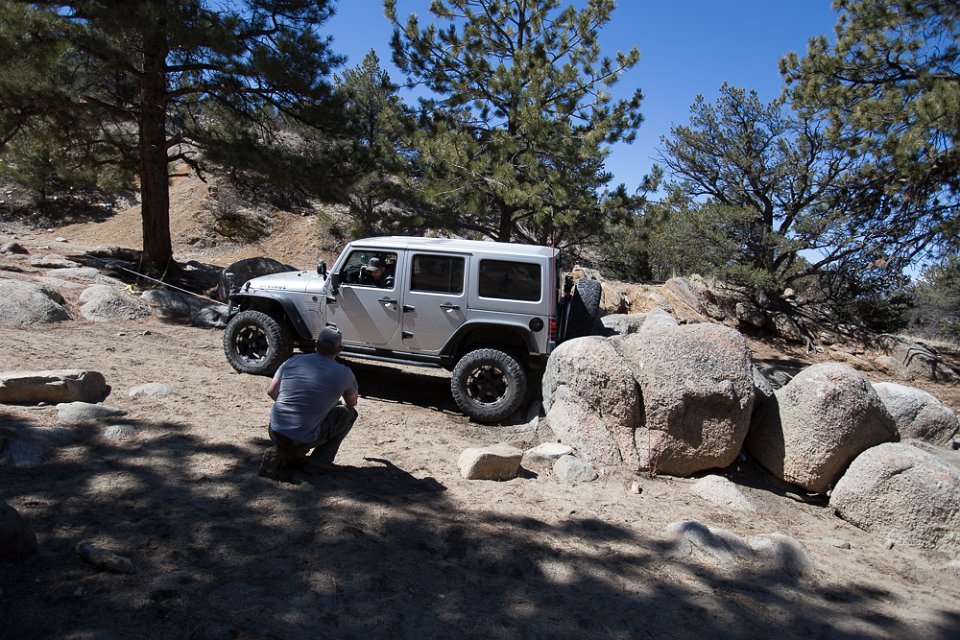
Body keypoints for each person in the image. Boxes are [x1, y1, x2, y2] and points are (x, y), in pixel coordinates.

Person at [258, 326, 359, 480]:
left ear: (316, 344)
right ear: (340, 349)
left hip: (275, 430)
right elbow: (351, 403)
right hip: (303, 437)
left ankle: (286, 453)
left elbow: (271, 391)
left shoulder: (293, 360)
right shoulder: (344, 373)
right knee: (349, 415)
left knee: (309, 421)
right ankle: (318, 462)